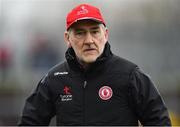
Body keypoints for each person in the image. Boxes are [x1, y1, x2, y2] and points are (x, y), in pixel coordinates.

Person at [18, 3, 171, 126]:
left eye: (95, 32)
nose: (89, 40)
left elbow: (159, 121)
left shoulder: (130, 75)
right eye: (80, 33)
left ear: (105, 34)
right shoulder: (54, 79)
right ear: (67, 38)